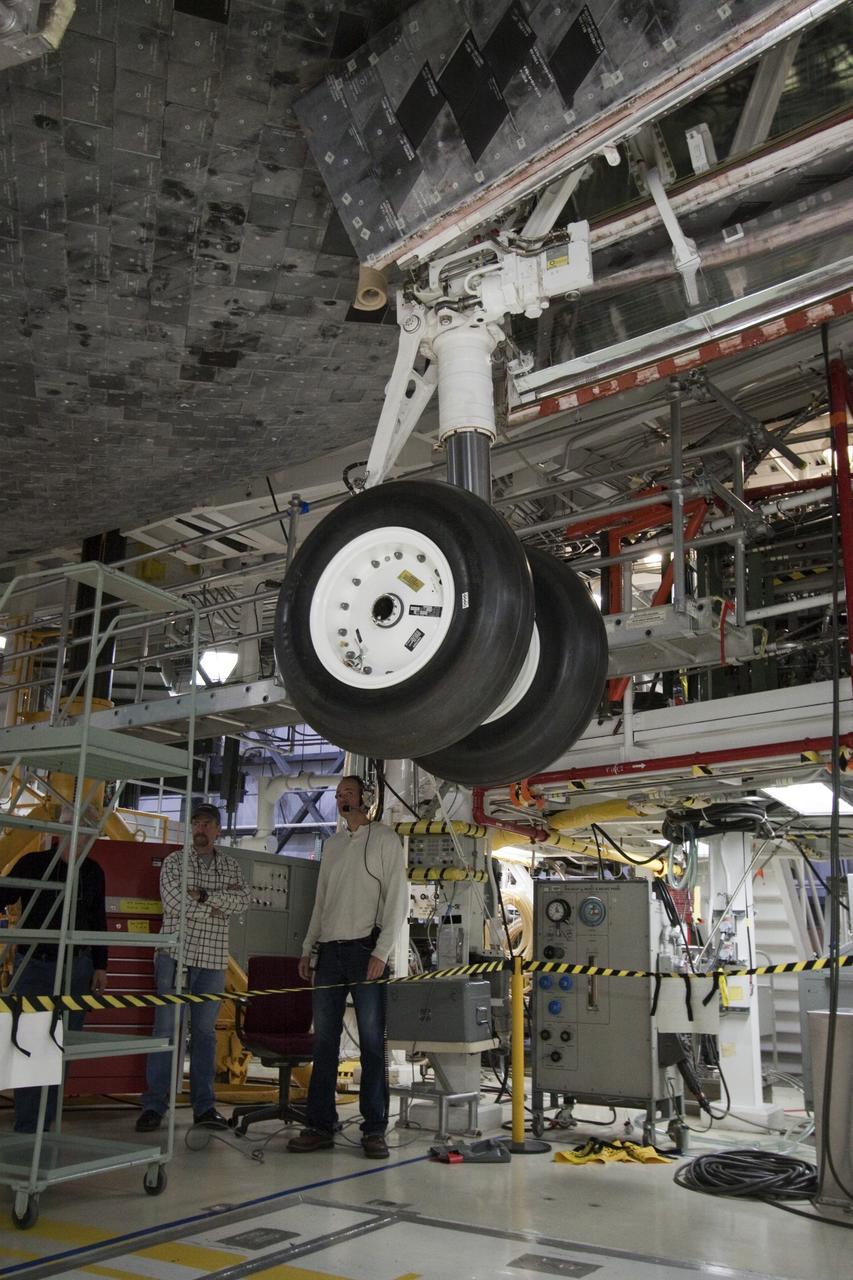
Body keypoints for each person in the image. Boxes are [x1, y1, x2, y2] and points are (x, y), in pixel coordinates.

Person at [287, 775, 408, 1159]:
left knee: (373, 1043)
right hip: (330, 953)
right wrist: (309, 947)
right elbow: (321, 903)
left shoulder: (386, 840)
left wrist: (382, 952)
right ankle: (320, 1124)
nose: (342, 799)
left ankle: (374, 1130)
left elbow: (397, 901)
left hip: (365, 950)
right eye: (338, 795)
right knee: (323, 1042)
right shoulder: (333, 846)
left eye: (349, 794)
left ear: (365, 799)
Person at [135, 803, 248, 1132]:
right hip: (175, 956)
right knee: (165, 1031)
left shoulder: (230, 866)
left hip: (213, 961)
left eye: (207, 823)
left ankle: (204, 1108)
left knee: (204, 1035)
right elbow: (173, 904)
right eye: (196, 822)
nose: (200, 828)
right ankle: (154, 1106)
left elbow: (241, 902)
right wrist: (215, 906)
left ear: (217, 830)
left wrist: (200, 897)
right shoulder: (173, 862)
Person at [0, 805, 108, 1133]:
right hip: (36, 965)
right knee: (31, 1045)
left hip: (77, 968)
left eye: (84, 832)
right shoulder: (33, 864)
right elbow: (4, 894)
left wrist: (101, 966)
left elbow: (97, 920)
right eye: (68, 829)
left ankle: (48, 1123)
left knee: (63, 1048)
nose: (75, 838)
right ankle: (27, 1126)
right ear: (58, 832)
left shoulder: (93, 872)